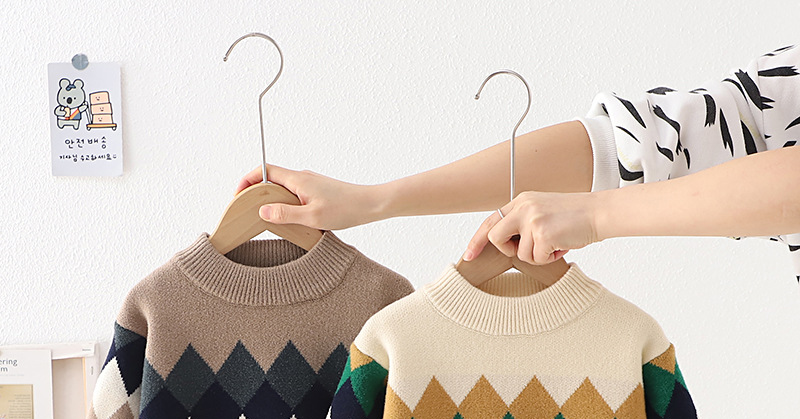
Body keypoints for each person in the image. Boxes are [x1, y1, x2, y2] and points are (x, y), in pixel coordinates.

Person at [235, 43, 800, 279]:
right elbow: (655, 141)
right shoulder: (395, 340)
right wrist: (376, 201)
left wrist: (596, 216)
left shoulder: (633, 350)